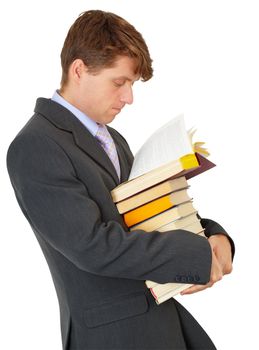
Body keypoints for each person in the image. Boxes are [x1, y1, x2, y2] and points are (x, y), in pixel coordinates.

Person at [7, 10, 234, 350]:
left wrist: (214, 235)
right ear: (79, 69)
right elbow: (93, 246)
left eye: (131, 84)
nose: (129, 98)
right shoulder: (34, 146)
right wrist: (196, 256)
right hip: (112, 337)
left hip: (161, 322)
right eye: (119, 82)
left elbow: (144, 216)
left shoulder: (113, 139)